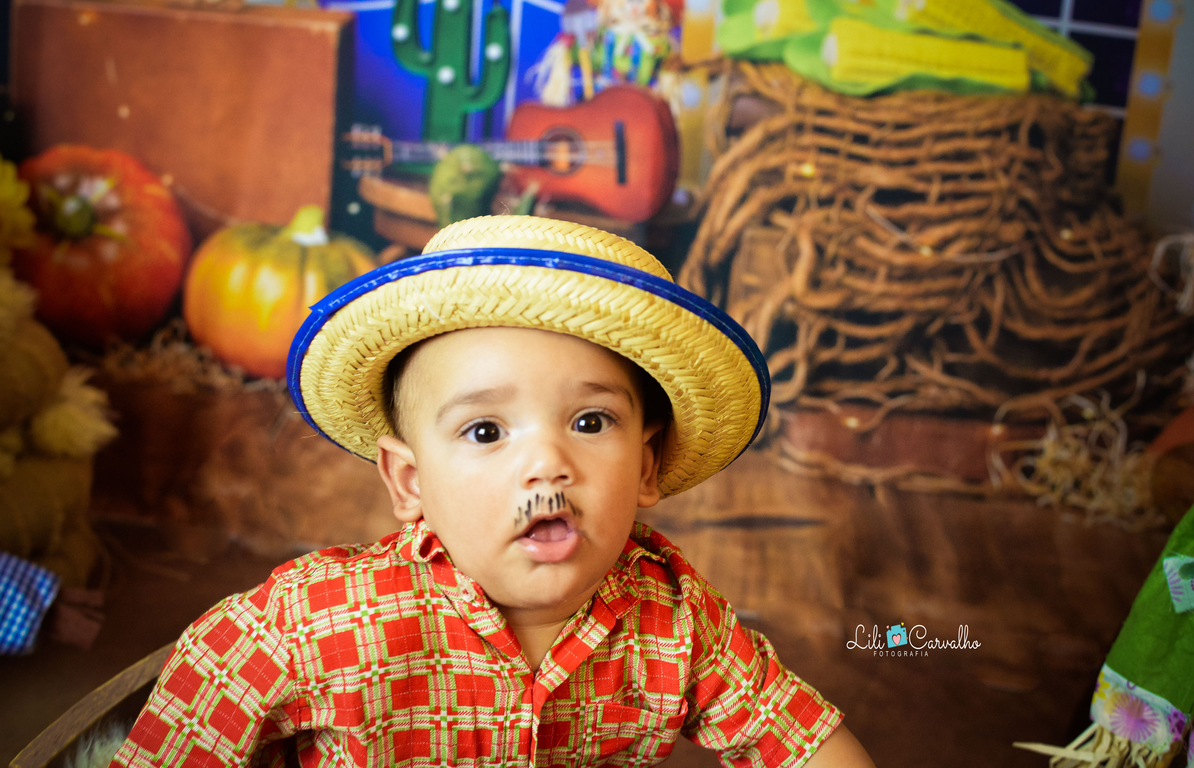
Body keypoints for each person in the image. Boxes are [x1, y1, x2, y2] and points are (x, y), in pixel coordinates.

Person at [110, 216, 875, 767]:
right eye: (485, 432)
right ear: (411, 482)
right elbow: (189, 722)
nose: (547, 462)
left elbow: (799, 738)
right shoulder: (315, 625)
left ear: (646, 468)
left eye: (589, 419)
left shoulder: (675, 620)